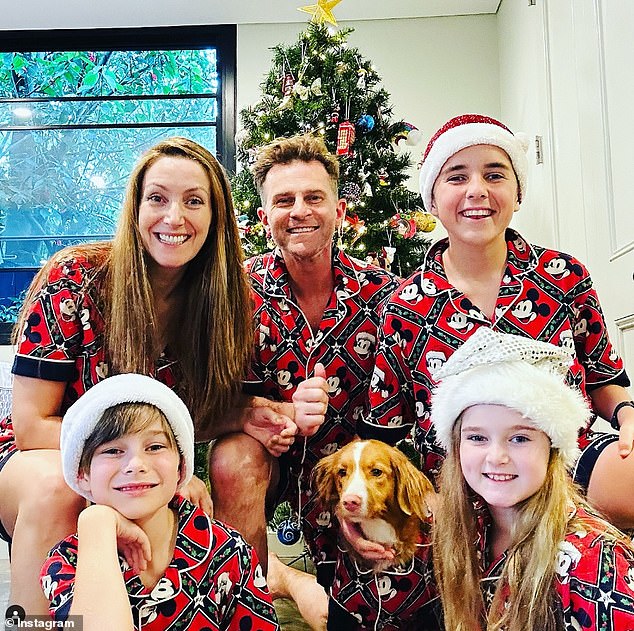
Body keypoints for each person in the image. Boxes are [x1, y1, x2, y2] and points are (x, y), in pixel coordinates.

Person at [0, 136, 273, 614]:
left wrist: (238, 421)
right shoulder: (75, 279)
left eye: (194, 201)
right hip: (43, 453)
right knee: (58, 491)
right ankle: (34, 626)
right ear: (135, 206)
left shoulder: (225, 300)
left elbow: (188, 413)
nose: (174, 218)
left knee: (185, 499)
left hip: (139, 457)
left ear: (216, 216)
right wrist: (128, 470)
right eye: (158, 198)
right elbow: (31, 426)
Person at [359, 113, 634, 536]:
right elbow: (387, 435)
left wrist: (627, 414)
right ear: (431, 201)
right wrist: (426, 501)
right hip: (456, 487)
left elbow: (603, 380)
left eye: (494, 174)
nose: (477, 191)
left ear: (517, 192)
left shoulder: (565, 276)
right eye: (457, 177)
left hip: (564, 469)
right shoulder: (401, 307)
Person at [209, 134, 400, 629]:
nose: (300, 211)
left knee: (362, 612)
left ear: (339, 208)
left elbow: (403, 408)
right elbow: (206, 397)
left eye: (314, 198)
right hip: (272, 462)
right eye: (284, 200)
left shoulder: (385, 293)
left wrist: (359, 483)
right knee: (233, 457)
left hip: (355, 465)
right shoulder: (236, 291)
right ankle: (242, 602)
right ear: (264, 213)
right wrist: (267, 412)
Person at [430, 327, 634, 631]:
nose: (496, 456)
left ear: (551, 448)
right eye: (477, 437)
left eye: (520, 438)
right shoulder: (467, 529)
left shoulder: (591, 560)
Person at [41, 373, 279, 630]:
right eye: (112, 451)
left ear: (181, 467)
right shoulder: (67, 562)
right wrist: (97, 522)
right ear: (82, 474)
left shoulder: (228, 551)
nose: (135, 465)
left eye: (154, 447)